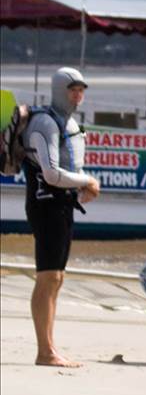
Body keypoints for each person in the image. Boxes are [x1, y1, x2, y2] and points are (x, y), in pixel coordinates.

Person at [22, 67, 99, 367]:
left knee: (57, 278)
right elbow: (51, 173)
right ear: (58, 90)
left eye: (81, 90)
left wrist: (82, 188)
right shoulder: (44, 123)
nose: (77, 95)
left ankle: (50, 347)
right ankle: (45, 351)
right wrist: (87, 181)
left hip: (63, 206)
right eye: (72, 89)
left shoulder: (71, 124)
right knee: (48, 277)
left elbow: (72, 169)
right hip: (45, 205)